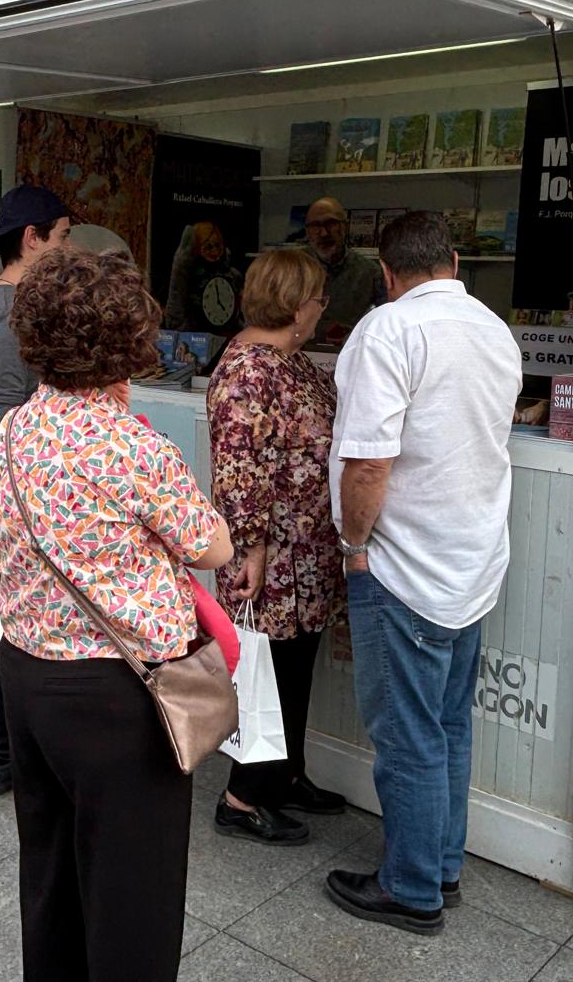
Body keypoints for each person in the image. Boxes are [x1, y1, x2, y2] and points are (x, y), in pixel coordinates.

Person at [0, 247, 233, 982]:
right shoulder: (135, 447)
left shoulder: (12, 432)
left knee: (51, 874)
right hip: (119, 693)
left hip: (25, 671)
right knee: (134, 896)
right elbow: (212, 548)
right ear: (127, 339)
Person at [324, 211, 522, 936]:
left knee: (407, 734)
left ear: (386, 271)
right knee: (447, 725)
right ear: (455, 261)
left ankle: (410, 889)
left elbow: (370, 460)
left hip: (402, 567)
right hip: (471, 562)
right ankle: (440, 865)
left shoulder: (388, 330)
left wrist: (352, 544)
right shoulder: (494, 329)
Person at [206, 248, 348, 846]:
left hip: (306, 553)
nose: (323, 310)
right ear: (295, 305)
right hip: (274, 556)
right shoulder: (249, 371)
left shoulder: (292, 362)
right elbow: (239, 470)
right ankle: (244, 796)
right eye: (319, 298)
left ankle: (286, 775)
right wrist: (253, 549)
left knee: (295, 668)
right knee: (271, 672)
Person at [0, 185, 71, 800]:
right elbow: (5, 419)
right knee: (6, 619)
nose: (69, 248)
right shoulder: (7, 312)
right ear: (32, 239)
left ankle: (14, 749)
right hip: (8, 480)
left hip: (22, 476)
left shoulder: (21, 304)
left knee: (18, 616)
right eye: (62, 235)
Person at [302, 197, 384, 344]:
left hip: (351, 353)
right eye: (315, 226)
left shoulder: (370, 273)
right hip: (301, 353)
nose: (324, 233)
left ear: (344, 227)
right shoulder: (292, 269)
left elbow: (384, 321)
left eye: (331, 224)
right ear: (307, 231)